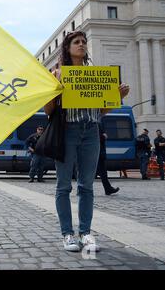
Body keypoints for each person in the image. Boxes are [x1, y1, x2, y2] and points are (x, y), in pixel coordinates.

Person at [44, 31, 130, 252]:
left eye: (84, 42)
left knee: (86, 186)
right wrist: (55, 89)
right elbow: (48, 110)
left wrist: (118, 97)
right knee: (63, 185)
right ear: (68, 47)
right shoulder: (57, 74)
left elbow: (101, 111)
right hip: (67, 131)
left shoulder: (96, 75)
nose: (81, 44)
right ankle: (67, 234)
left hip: (91, 131)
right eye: (76, 42)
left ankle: (85, 233)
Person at [96, 123, 120, 195]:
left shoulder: (97, 123)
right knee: (102, 172)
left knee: (102, 172)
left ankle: (108, 188)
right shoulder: (96, 123)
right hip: (98, 152)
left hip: (98, 152)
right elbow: (98, 136)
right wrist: (103, 136)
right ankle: (108, 189)